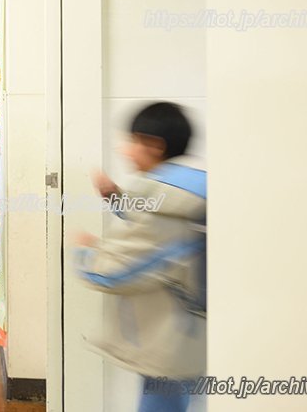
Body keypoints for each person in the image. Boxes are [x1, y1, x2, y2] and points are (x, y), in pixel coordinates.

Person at [74, 102, 206, 412]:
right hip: (193, 329)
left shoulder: (163, 203)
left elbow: (112, 273)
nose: (125, 150)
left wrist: (86, 252)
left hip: (170, 336)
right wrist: (115, 197)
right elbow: (158, 224)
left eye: (133, 141)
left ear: (155, 146)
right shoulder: (193, 189)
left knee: (161, 401)